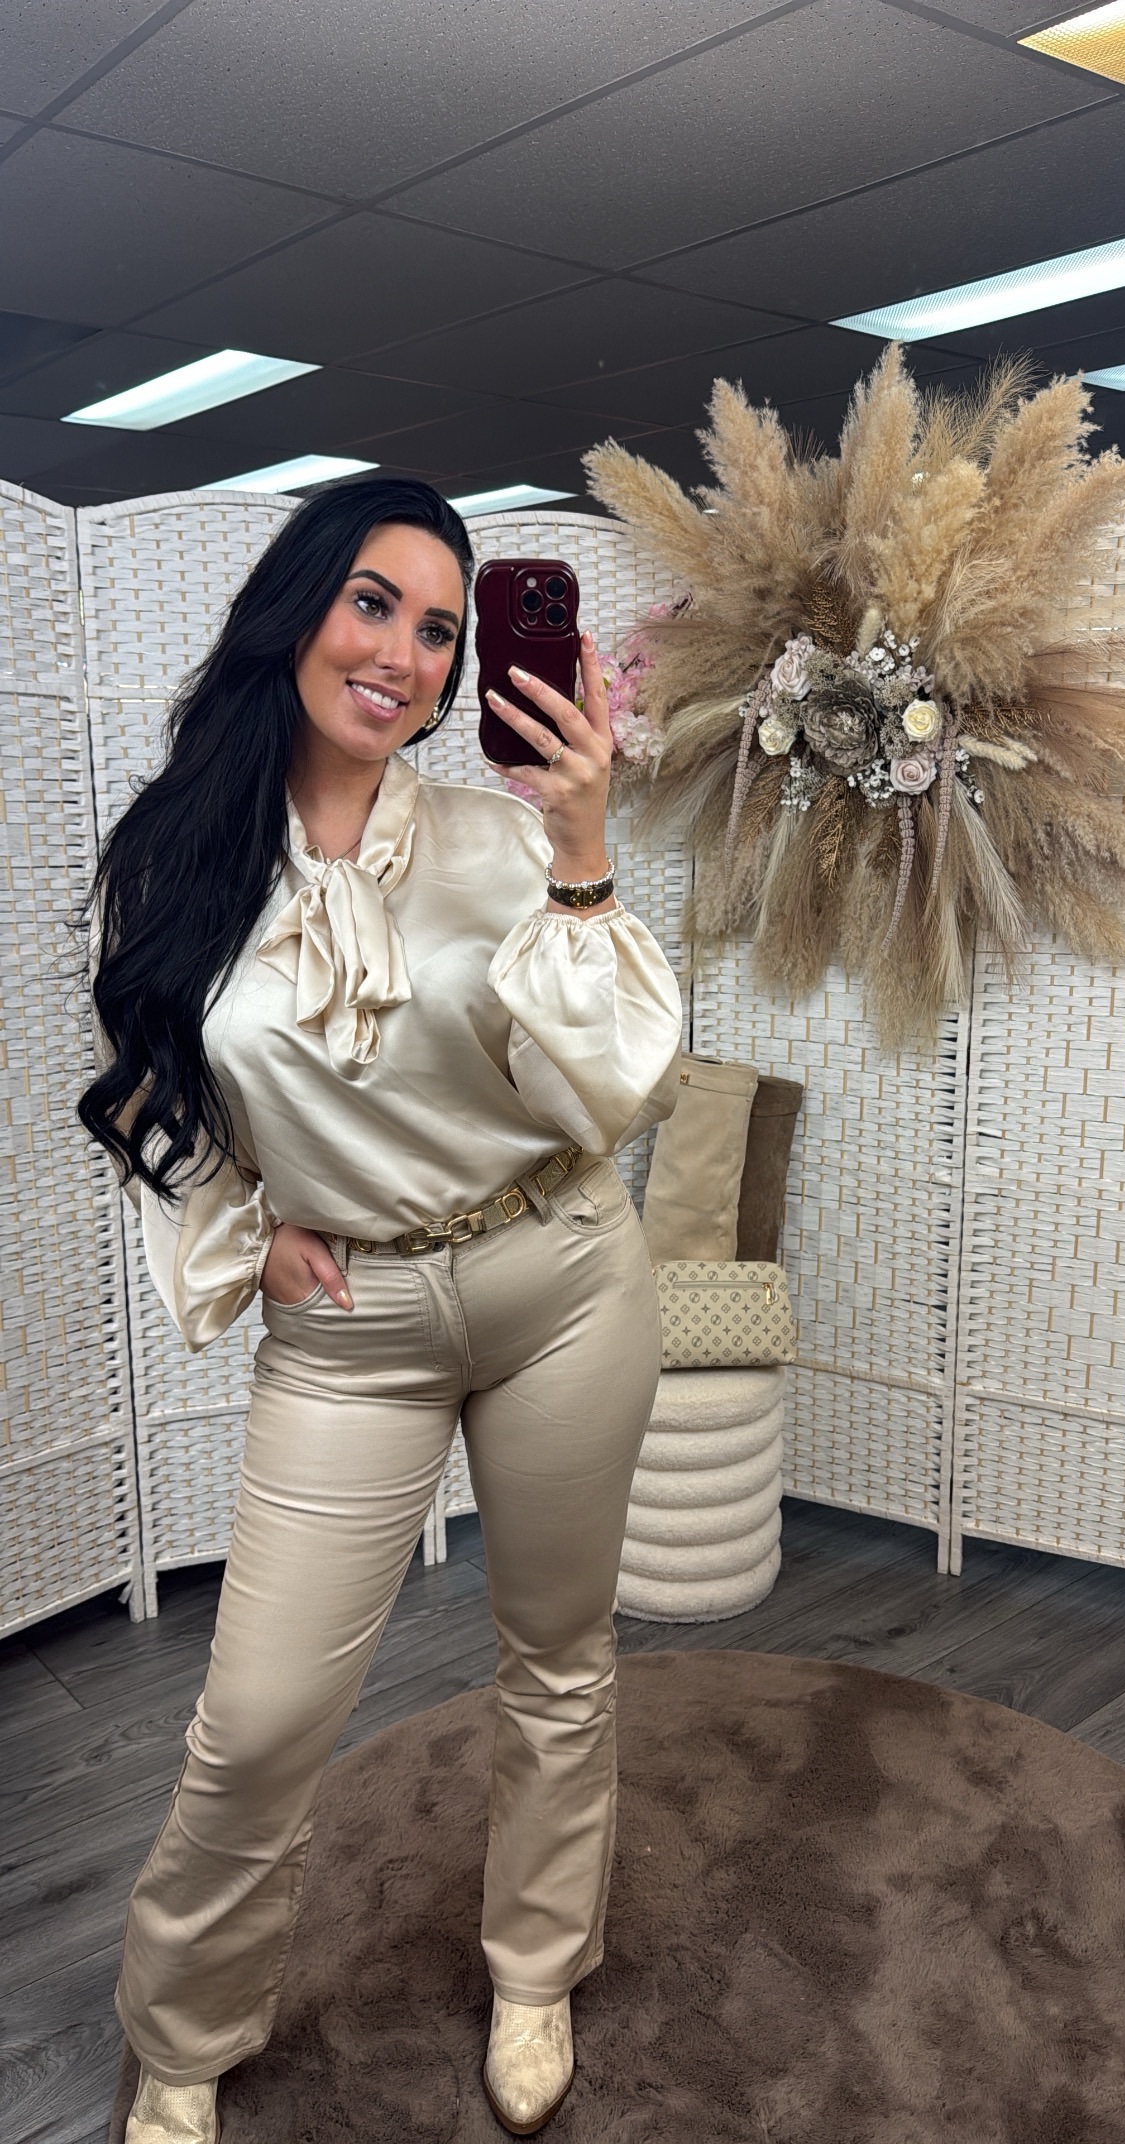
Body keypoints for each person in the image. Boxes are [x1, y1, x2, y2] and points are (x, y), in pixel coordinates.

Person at [81, 476, 682, 2140]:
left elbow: (613, 1083)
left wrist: (581, 853)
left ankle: (535, 1968)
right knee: (260, 1717)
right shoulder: (178, 861)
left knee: (556, 1657)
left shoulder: (499, 839)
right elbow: (157, 1077)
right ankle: (184, 2039)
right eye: (371, 603)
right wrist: (248, 1227)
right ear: (295, 611)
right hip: (352, 1337)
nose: (403, 654)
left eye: (438, 627)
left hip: (561, 1280)